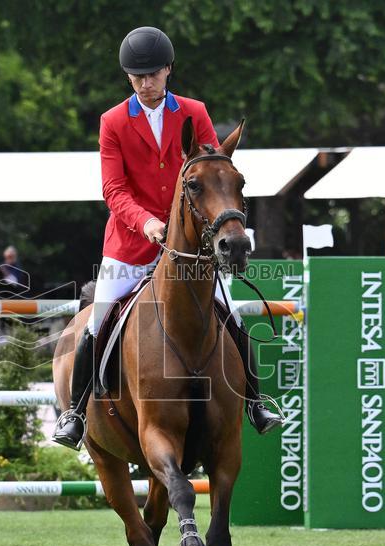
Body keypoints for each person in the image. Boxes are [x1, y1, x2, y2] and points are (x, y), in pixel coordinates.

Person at [52, 26, 281, 448]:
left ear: (168, 70)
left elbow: (213, 171)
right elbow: (113, 190)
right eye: (136, 76)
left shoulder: (195, 112)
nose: (145, 82)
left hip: (191, 250)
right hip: (130, 245)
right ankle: (75, 415)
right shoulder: (113, 122)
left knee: (234, 315)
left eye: (152, 74)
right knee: (96, 322)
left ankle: (255, 401)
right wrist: (147, 223)